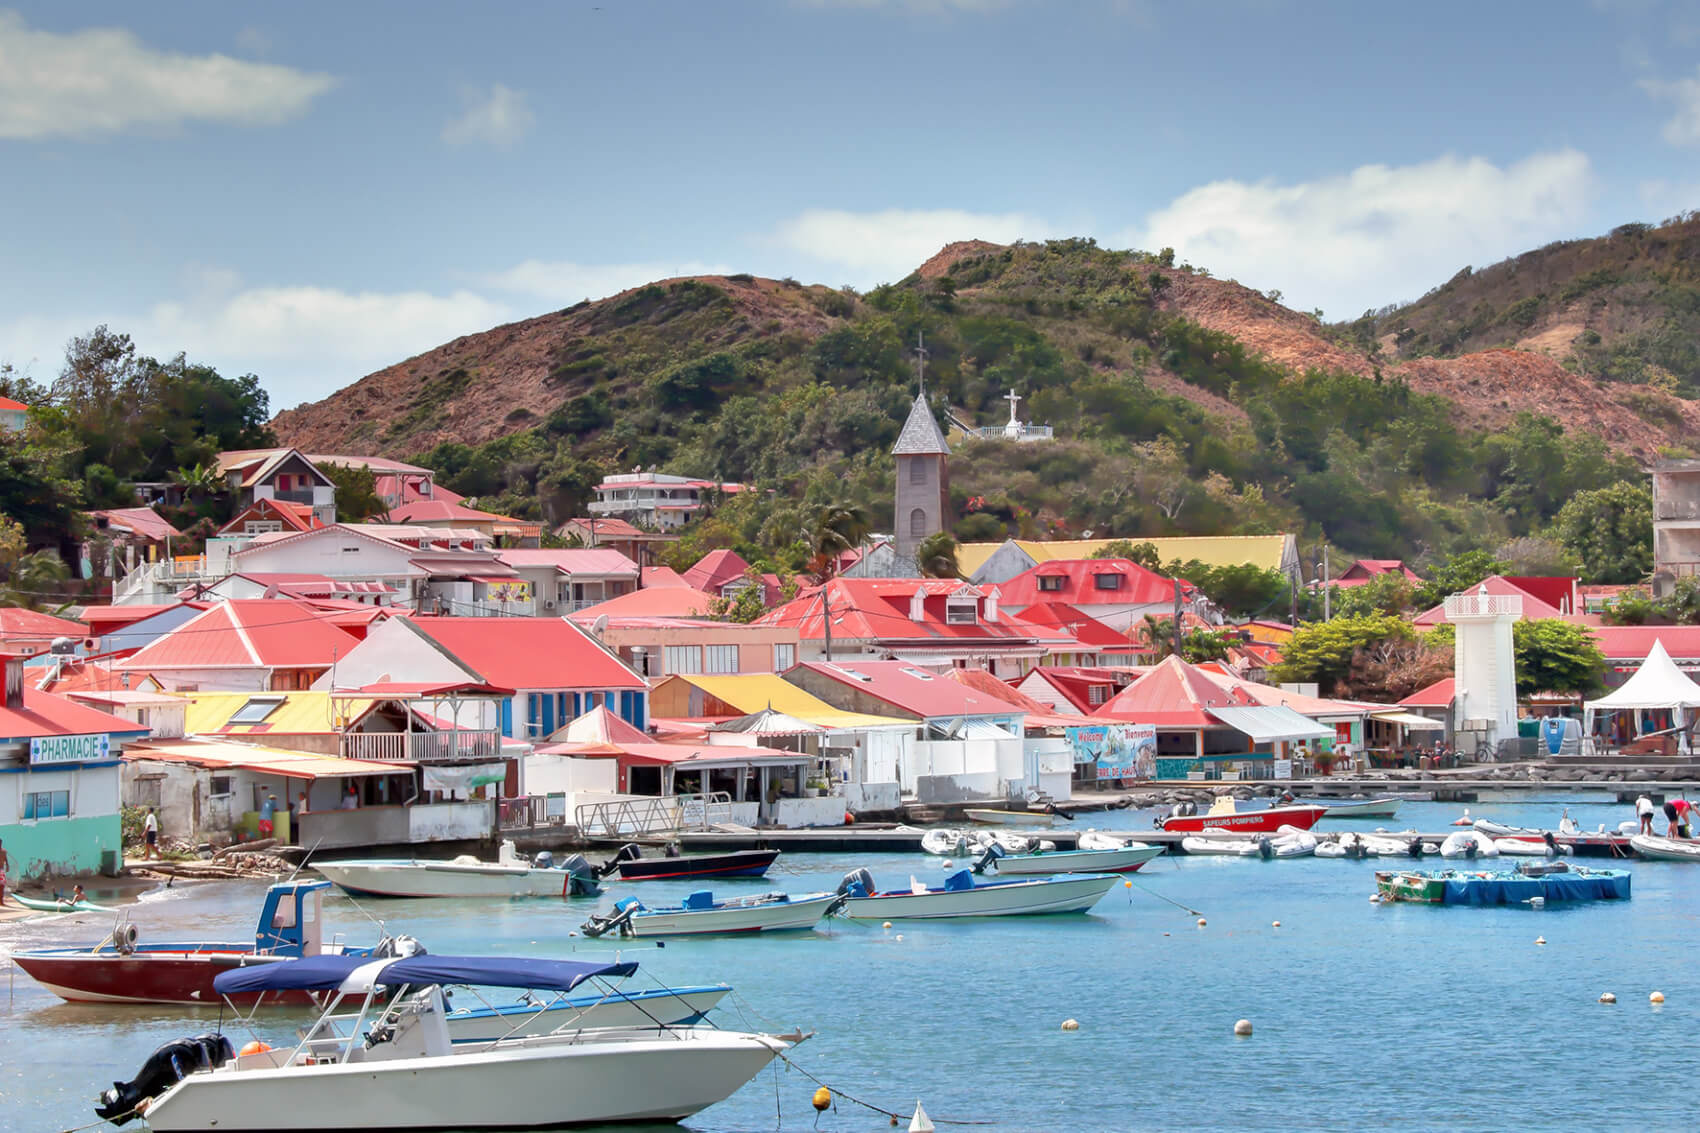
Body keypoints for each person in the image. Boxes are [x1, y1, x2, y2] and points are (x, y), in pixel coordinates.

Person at [0, 837, 8, 907]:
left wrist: (8, 865)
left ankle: (1, 901)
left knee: (2, 886)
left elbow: (5, 859)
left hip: (1, 871)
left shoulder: (4, 851)